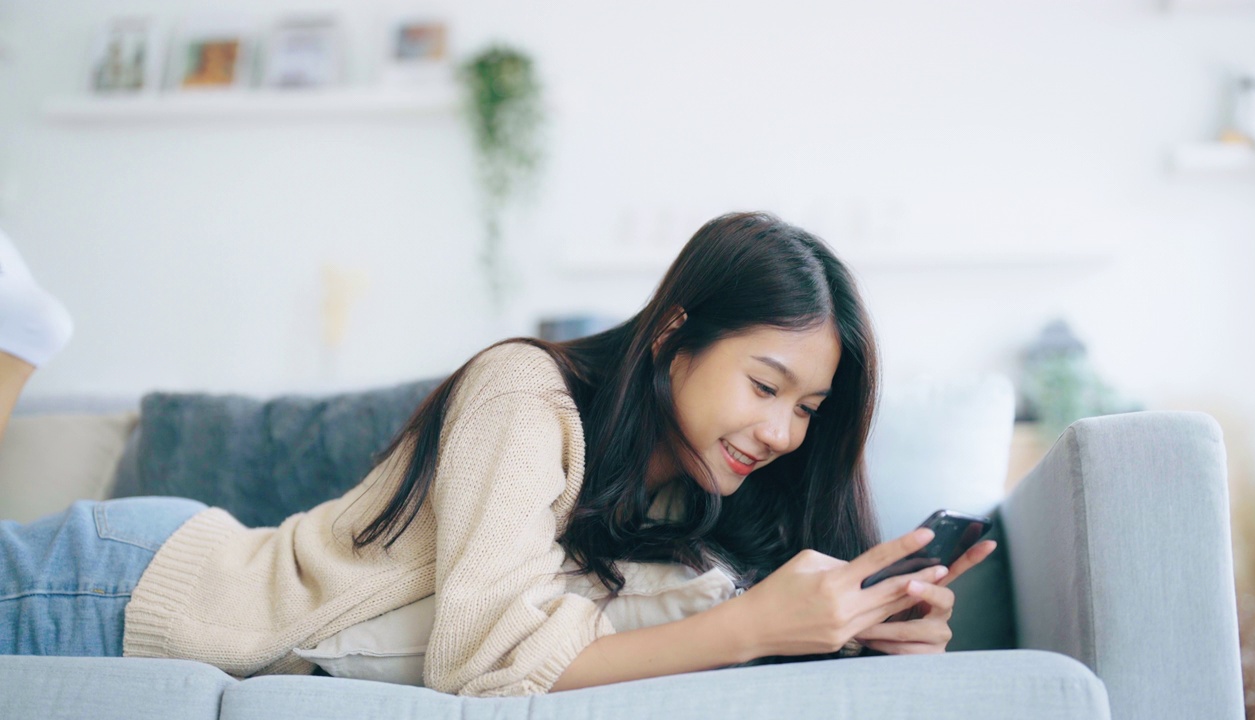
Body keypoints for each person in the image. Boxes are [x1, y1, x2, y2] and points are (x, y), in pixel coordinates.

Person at [0, 213, 996, 696]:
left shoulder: (696, 513)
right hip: (123, 589)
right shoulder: (525, 393)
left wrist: (858, 629)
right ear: (672, 335)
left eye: (809, 408)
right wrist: (749, 626)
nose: (781, 432)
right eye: (765, 386)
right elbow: (487, 665)